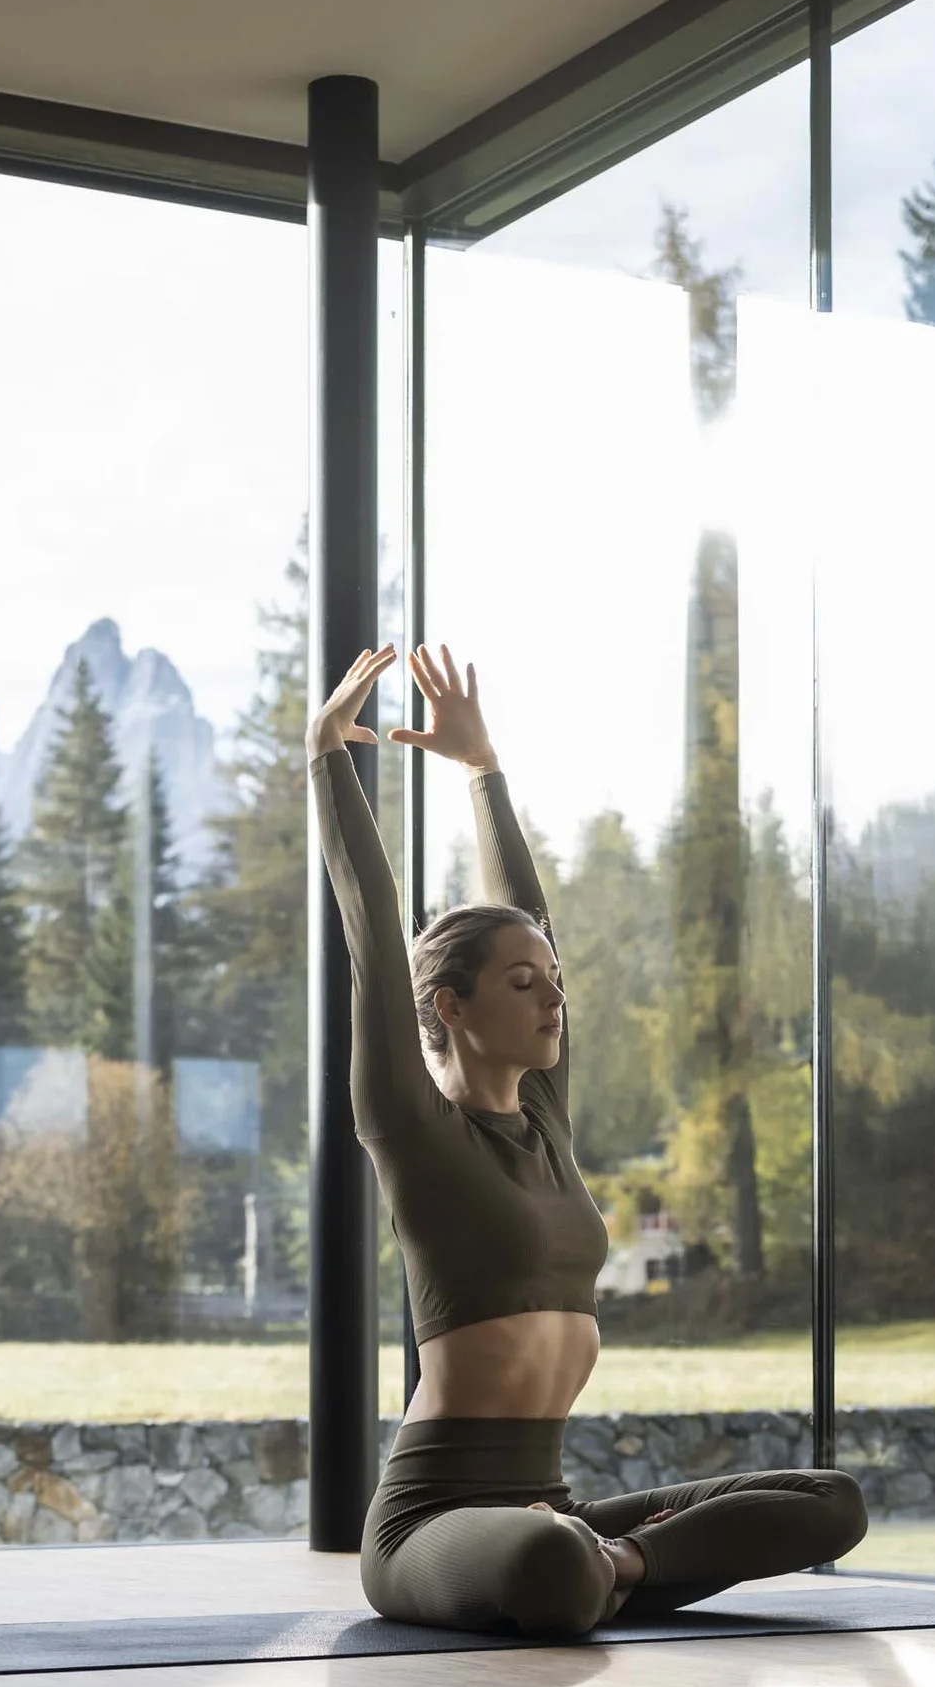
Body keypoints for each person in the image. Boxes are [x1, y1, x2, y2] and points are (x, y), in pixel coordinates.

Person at [308, 641, 867, 1636]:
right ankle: (605, 1565)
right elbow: (371, 927)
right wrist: (325, 760)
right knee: (547, 1566)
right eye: (523, 985)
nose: (553, 997)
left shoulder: (546, 1120)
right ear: (452, 1006)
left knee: (833, 1503)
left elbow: (535, 918)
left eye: (555, 980)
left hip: (554, 1506)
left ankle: (620, 1559)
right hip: (437, 1520)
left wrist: (484, 770)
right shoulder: (413, 1124)